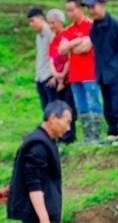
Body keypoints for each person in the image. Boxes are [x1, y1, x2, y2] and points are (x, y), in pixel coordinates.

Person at [7, 100, 76, 223]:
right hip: (40, 221)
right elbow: (34, 185)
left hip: (48, 220)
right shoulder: (38, 145)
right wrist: (44, 221)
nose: (68, 128)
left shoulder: (45, 141)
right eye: (67, 122)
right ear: (53, 118)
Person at [85, 0, 118, 145]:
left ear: (102, 5)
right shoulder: (94, 28)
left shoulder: (116, 25)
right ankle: (112, 132)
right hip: (102, 72)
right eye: (88, 8)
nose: (91, 10)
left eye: (93, 7)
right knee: (107, 105)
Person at [59, 0, 104, 144]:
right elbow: (61, 49)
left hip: (89, 73)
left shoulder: (91, 26)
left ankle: (96, 135)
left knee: (93, 103)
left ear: (80, 9)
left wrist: (71, 45)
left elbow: (85, 47)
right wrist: (77, 41)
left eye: (72, 10)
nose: (70, 14)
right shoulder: (68, 30)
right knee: (81, 106)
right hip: (74, 75)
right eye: (67, 11)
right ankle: (87, 136)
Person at [46, 8, 78, 144]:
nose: (51, 26)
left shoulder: (66, 36)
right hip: (58, 78)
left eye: (53, 23)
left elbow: (68, 59)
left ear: (60, 22)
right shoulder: (53, 40)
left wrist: (62, 78)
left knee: (68, 106)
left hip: (68, 79)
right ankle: (60, 135)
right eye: (50, 23)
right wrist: (55, 75)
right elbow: (52, 59)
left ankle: (69, 135)